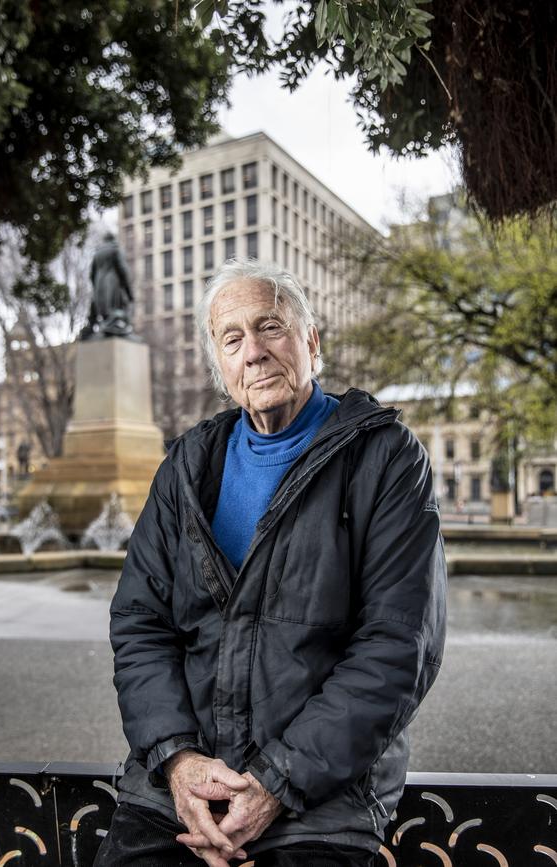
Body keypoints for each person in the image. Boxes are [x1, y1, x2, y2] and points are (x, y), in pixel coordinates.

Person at [95, 259, 447, 867]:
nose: (254, 352)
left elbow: (398, 643)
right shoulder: (185, 467)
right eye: (232, 340)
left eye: (271, 327)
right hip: (179, 793)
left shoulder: (385, 458)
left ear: (311, 341)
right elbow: (140, 623)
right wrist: (178, 760)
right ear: (220, 366)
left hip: (324, 801)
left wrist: (276, 783)